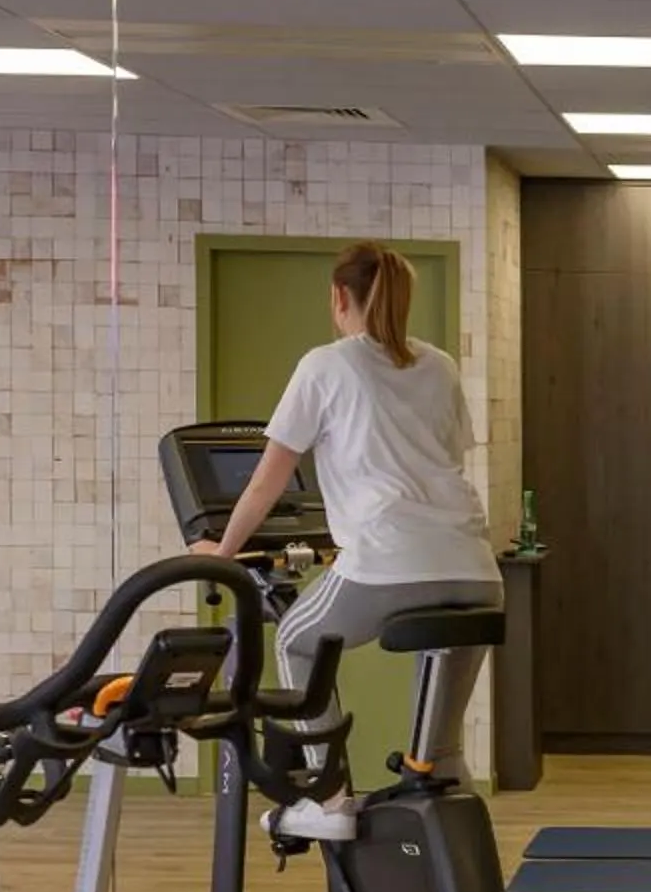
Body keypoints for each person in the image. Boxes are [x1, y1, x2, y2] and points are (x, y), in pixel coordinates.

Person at [195, 241, 498, 842]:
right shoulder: (439, 365)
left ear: (340, 297)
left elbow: (267, 479)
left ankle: (331, 802)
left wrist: (221, 551)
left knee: (296, 641)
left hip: (387, 558)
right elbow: (441, 460)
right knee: (437, 753)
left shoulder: (325, 365)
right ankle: (440, 782)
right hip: (476, 569)